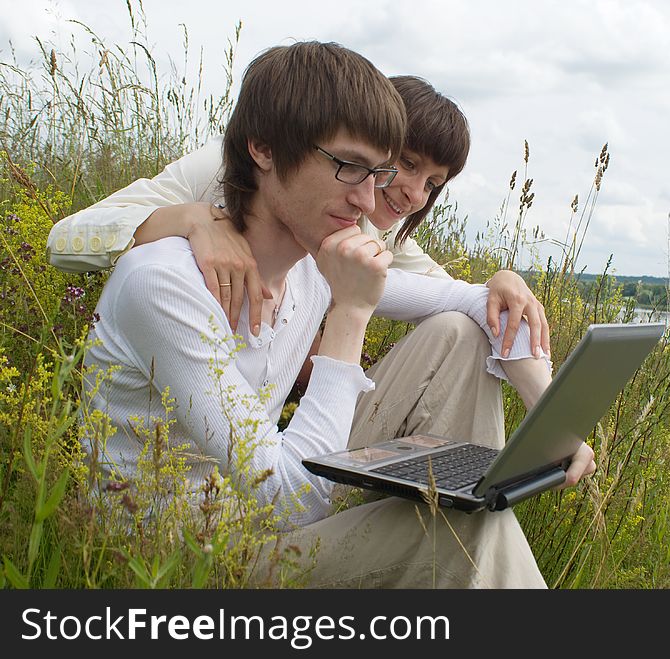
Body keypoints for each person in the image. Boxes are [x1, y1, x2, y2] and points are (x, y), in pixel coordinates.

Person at [56, 41, 596, 588]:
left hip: (259, 492)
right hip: (181, 554)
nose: (371, 203)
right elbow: (296, 501)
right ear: (263, 149)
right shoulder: (167, 284)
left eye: (380, 174)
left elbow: (477, 304)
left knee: (457, 348)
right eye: (349, 167)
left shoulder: (315, 257)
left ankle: (462, 496)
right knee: (466, 536)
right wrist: (350, 313)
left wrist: (557, 426)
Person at [47, 77, 550, 365]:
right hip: (180, 394)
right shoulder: (239, 169)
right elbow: (64, 240)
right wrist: (196, 220)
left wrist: (498, 282)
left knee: (458, 330)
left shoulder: (374, 232)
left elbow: (440, 290)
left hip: (265, 417)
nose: (415, 194)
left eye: (434, 183)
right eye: (408, 164)